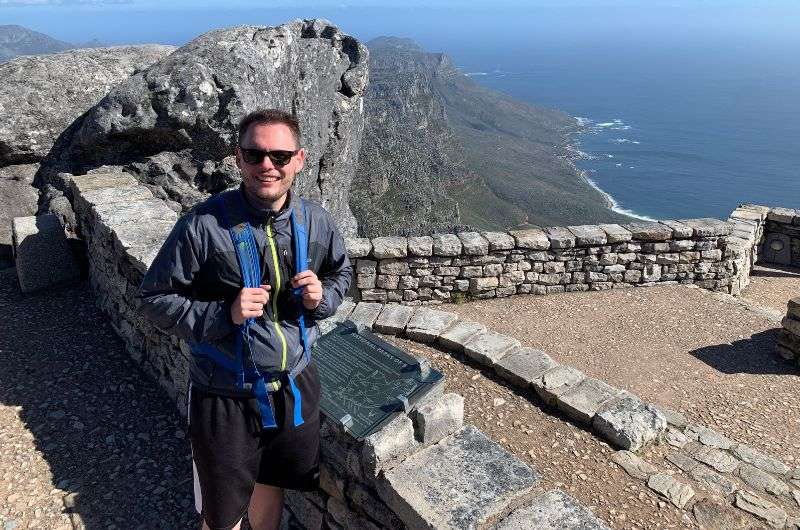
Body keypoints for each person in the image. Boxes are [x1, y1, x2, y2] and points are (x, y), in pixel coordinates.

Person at [137, 109, 352, 530]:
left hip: (294, 388)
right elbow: (154, 299)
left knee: (272, 485)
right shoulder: (202, 226)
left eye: (279, 155)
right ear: (238, 158)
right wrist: (224, 313)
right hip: (224, 394)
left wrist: (321, 298)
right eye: (254, 155)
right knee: (222, 514)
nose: (267, 166)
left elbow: (342, 273)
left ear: (300, 159)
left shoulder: (316, 221)